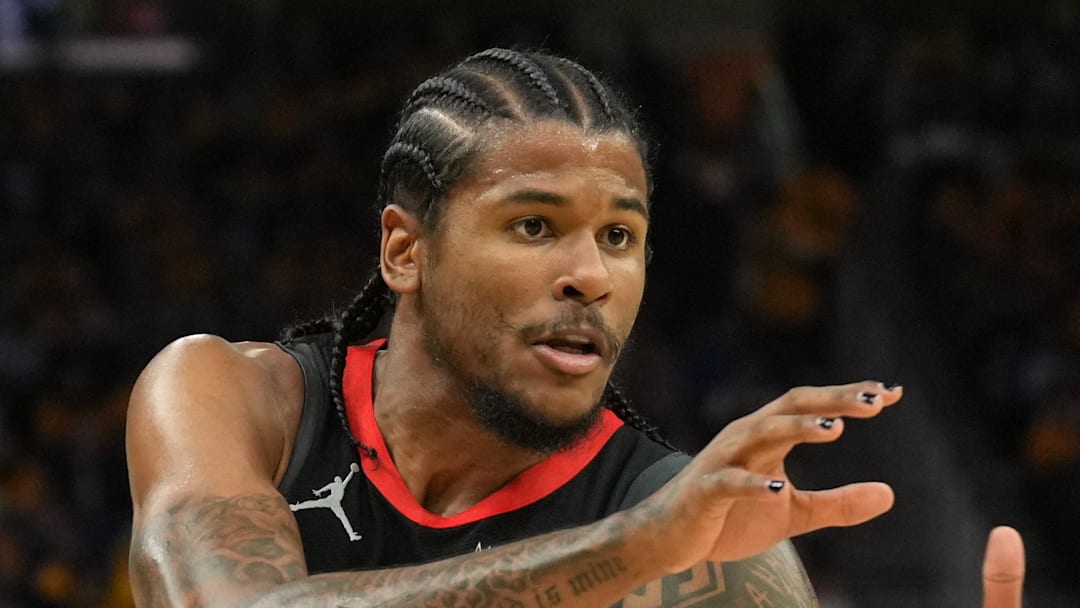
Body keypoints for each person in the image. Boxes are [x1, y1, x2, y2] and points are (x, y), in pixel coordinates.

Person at [126, 48, 1026, 607]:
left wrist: (650, 545)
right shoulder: (234, 397)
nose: (591, 276)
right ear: (405, 251)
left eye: (621, 236)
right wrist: (628, 555)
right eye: (534, 225)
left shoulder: (697, 539)